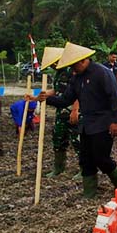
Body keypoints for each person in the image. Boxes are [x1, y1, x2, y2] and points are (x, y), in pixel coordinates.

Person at [37, 42, 117, 198]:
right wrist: (47, 99)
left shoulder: (102, 73)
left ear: (83, 61)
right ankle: (89, 192)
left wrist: (115, 121)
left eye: (74, 66)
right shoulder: (77, 78)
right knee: (85, 159)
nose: (72, 69)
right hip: (86, 124)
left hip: (103, 123)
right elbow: (66, 99)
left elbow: (116, 97)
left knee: (101, 158)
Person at [40, 46, 82, 179]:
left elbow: (79, 92)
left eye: (53, 63)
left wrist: (75, 110)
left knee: (78, 141)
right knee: (58, 139)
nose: (53, 66)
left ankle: (85, 169)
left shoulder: (72, 71)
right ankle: (58, 168)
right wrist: (42, 95)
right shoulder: (57, 73)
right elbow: (57, 91)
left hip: (73, 111)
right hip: (61, 112)